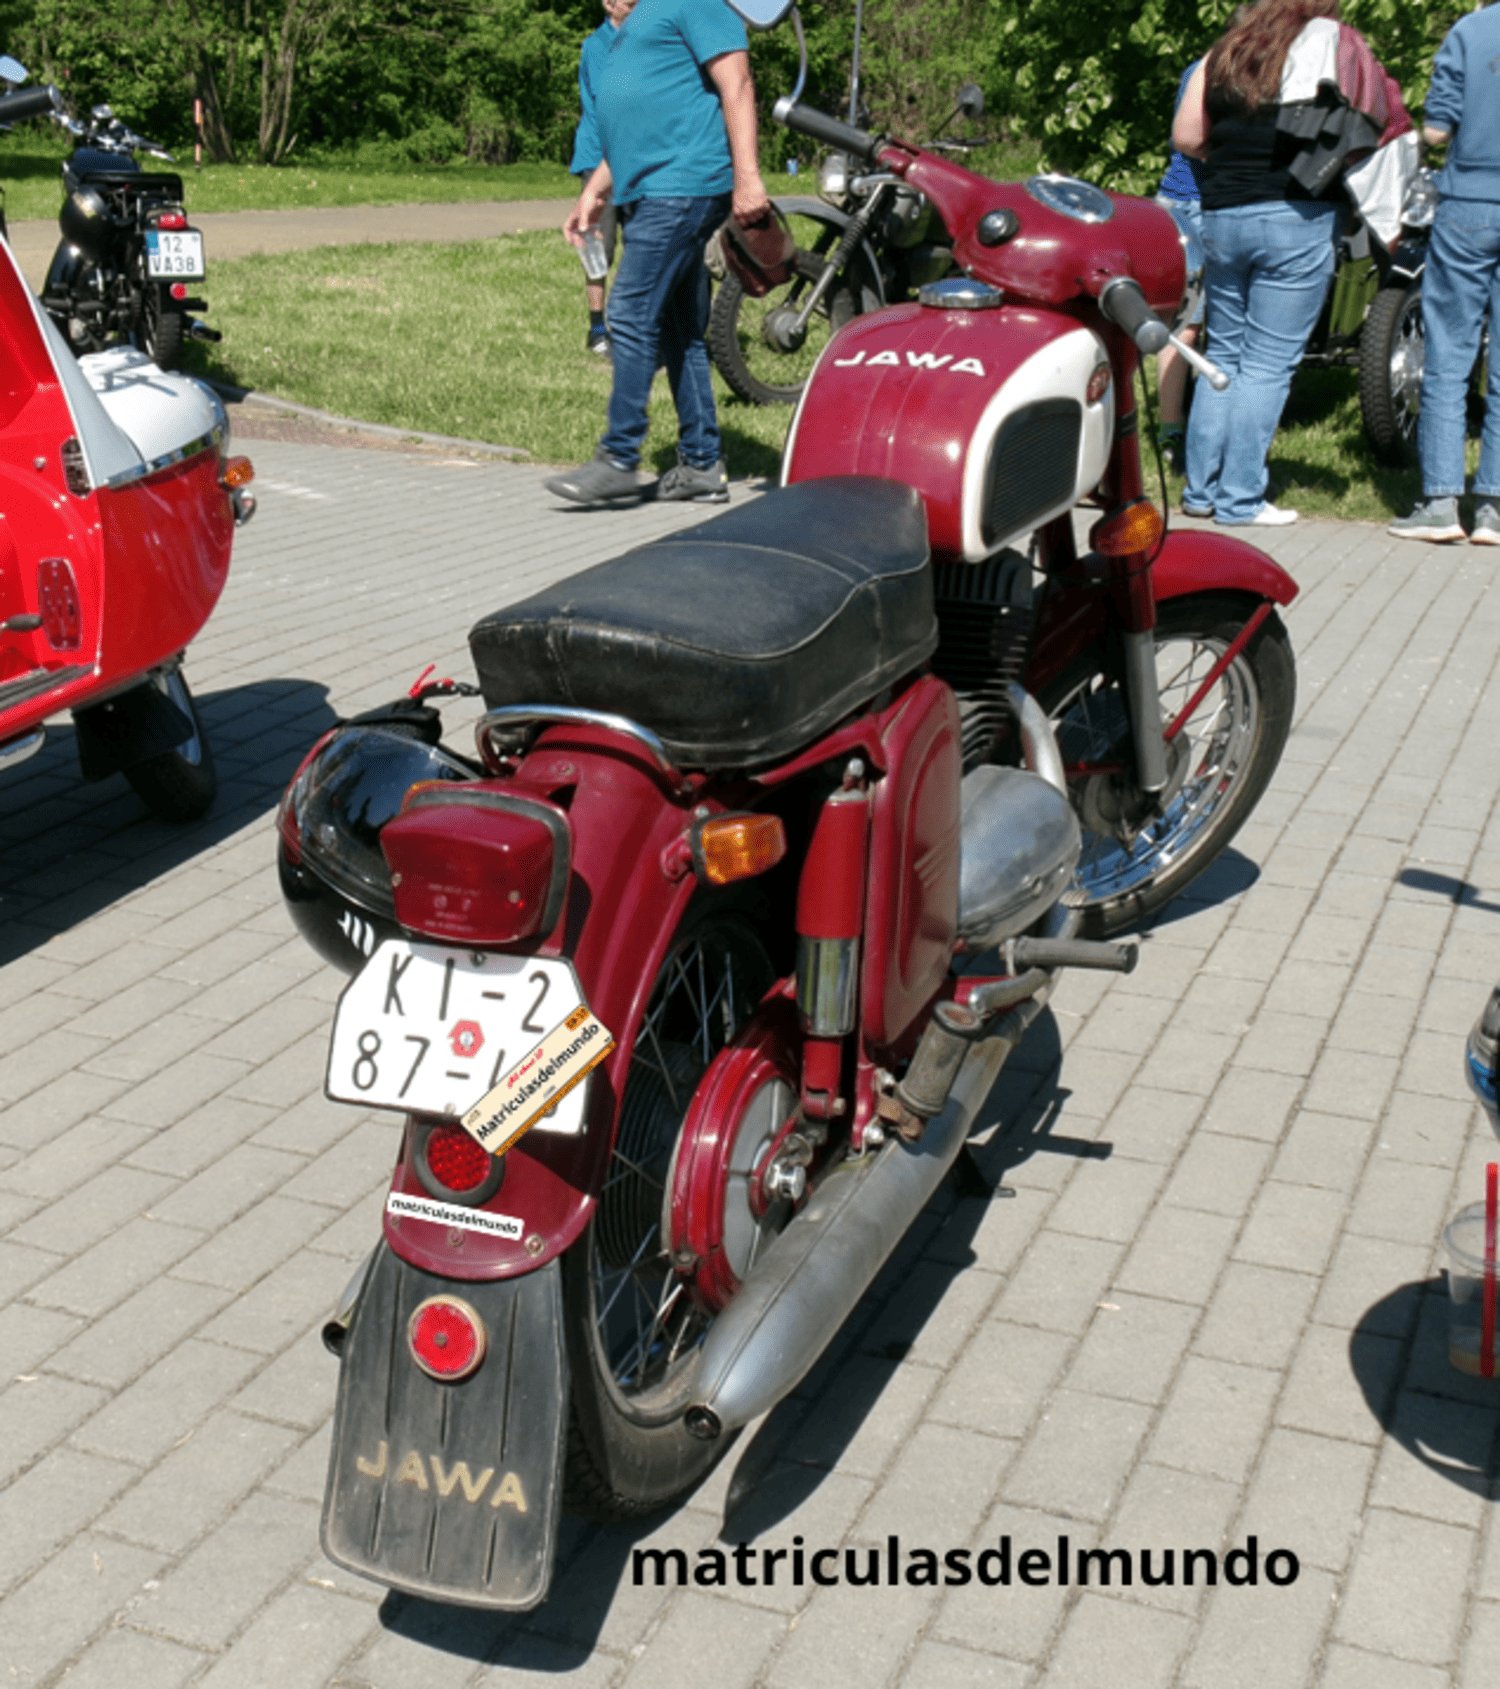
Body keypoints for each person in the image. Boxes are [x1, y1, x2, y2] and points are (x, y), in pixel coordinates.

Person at [1173, 0, 1409, 526]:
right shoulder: (1332, 42)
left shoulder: (1227, 49)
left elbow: (1187, 136)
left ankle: (1200, 492)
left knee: (1224, 357)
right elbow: (1375, 123)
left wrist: (1235, 159)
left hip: (1223, 215)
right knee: (1268, 364)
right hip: (1294, 217)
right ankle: (1240, 499)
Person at [545, 0, 769, 507]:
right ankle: (702, 464)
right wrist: (596, 189)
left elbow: (737, 83)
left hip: (682, 184)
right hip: (648, 187)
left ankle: (619, 458)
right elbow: (640, 116)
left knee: (627, 310)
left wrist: (748, 176)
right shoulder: (639, 21)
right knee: (677, 328)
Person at [1388, 2, 1500, 546]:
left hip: (1469, 205)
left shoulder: (1470, 30)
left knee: (1450, 354)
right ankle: (1493, 509)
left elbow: (1435, 131)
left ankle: (1440, 503)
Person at [568, 0, 634, 358]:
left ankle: (639, 329)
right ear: (610, 4)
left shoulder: (645, 37)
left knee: (642, 245)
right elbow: (608, 100)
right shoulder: (597, 45)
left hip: (638, 156)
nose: (637, 6)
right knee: (598, 245)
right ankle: (597, 329)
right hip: (600, 157)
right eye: (630, 1)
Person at [1155, 59, 1206, 474]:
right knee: (1187, 323)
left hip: (1178, 203)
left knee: (1183, 321)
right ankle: (1172, 433)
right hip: (1196, 205)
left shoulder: (1198, 66)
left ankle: (1174, 429)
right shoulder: (1222, 67)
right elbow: (1189, 139)